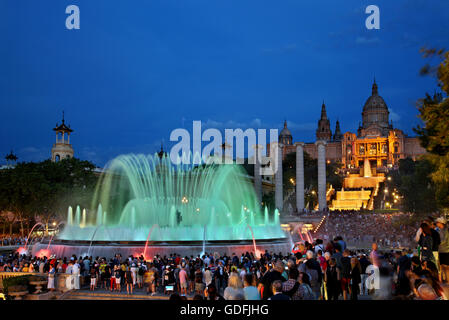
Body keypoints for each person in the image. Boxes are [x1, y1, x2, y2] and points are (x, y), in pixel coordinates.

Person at [436, 217, 449, 283]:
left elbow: (444, 240)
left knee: (446, 267)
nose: (436, 223)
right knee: (441, 267)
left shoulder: (446, 230)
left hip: (446, 251)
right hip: (440, 251)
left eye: (437, 222)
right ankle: (443, 280)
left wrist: (437, 243)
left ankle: (447, 280)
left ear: (441, 223)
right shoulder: (437, 230)